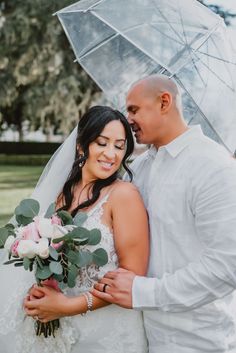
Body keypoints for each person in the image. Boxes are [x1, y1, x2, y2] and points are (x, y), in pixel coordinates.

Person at [92, 75, 236, 353]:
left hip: (197, 340)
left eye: (134, 109)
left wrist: (143, 292)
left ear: (164, 102)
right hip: (138, 333)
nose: (128, 118)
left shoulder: (213, 167)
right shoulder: (140, 167)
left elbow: (226, 266)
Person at [0, 106, 149, 353]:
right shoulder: (62, 194)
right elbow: (52, 260)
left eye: (119, 146)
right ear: (82, 145)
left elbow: (132, 278)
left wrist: (68, 306)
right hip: (63, 331)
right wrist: (43, 289)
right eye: (102, 143)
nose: (111, 154)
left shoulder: (124, 196)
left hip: (107, 332)